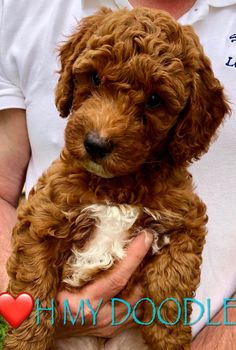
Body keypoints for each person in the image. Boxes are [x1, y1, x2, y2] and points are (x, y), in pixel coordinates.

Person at [0, 0, 235, 348]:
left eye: (153, 102)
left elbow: (184, 238)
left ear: (190, 118)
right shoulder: (23, 7)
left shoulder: (172, 200)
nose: (103, 132)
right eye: (94, 79)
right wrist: (26, 321)